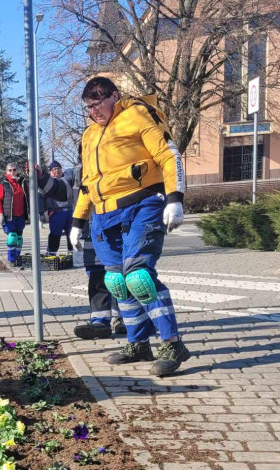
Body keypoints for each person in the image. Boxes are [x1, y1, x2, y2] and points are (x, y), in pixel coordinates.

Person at [69, 76, 191, 377]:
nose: (93, 111)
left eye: (97, 104)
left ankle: (172, 343)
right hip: (103, 213)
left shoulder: (136, 114)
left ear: (114, 95)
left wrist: (175, 198)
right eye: (88, 107)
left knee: (138, 276)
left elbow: (168, 154)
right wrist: (77, 220)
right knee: (116, 281)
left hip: (142, 204)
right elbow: (88, 182)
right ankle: (138, 343)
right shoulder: (89, 135)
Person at [71, 146, 124, 339]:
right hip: (88, 233)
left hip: (112, 230)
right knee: (96, 276)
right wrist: (41, 177)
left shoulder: (114, 167)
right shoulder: (76, 173)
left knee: (117, 274)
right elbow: (59, 188)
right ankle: (99, 321)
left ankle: (122, 318)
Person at [0, 162, 29, 266]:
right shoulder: (3, 183)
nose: (12, 172)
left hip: (21, 215)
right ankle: (12, 259)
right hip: (9, 216)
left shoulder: (22, 182)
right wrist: (0, 214)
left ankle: (17, 257)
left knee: (19, 239)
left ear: (18, 171)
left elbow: (28, 198)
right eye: (10, 170)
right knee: (12, 237)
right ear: (6, 172)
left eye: (14, 169)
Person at [44, 161, 74, 254]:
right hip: (55, 212)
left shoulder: (68, 180)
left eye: (58, 169)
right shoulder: (47, 183)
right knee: (55, 233)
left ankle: (72, 253)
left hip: (70, 211)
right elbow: (40, 197)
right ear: (50, 172)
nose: (57, 171)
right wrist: (41, 212)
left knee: (72, 233)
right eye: (54, 169)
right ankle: (52, 253)